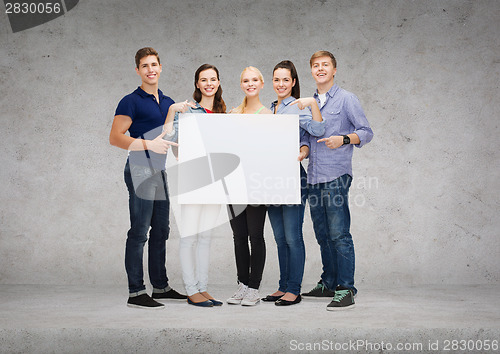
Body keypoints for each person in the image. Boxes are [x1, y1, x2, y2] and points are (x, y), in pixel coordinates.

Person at [109, 47, 189, 309]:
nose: (150, 69)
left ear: (161, 67)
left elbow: (172, 139)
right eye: (145, 66)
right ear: (137, 70)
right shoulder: (130, 101)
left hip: (159, 170)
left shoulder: (168, 103)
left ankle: (161, 287)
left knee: (162, 230)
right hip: (140, 169)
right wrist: (146, 144)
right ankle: (136, 292)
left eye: (154, 64)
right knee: (140, 231)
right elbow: (116, 137)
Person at [300, 50, 373, 310]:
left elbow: (366, 132)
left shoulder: (346, 99)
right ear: (311, 70)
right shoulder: (309, 103)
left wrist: (342, 139)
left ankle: (346, 288)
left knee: (339, 233)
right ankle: (328, 282)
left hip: (336, 176)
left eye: (325, 65)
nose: (320, 69)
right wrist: (303, 151)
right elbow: (307, 137)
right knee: (322, 234)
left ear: (334, 70)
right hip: (314, 176)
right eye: (316, 65)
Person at [262, 60, 325, 306]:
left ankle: (294, 289)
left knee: (292, 236)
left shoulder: (298, 106)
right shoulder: (270, 108)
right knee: (279, 237)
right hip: (270, 179)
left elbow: (318, 131)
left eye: (285, 80)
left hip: (291, 177)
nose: (280, 84)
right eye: (276, 79)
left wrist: (312, 103)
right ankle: (283, 286)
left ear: (294, 82)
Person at [168, 64, 226, 307]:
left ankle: (203, 287)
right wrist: (172, 110)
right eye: (204, 80)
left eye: (213, 79)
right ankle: (191, 289)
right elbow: (170, 137)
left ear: (218, 82)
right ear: (197, 84)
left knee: (205, 238)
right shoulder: (188, 110)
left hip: (215, 182)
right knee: (189, 237)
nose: (209, 83)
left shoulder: (225, 114)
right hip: (194, 179)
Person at [226, 67, 272, 306]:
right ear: (241, 84)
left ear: (262, 84)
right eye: (246, 80)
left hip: (256, 183)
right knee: (238, 236)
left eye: (254, 80)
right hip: (234, 184)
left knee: (256, 235)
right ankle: (242, 284)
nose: (250, 84)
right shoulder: (233, 113)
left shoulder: (269, 115)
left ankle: (254, 287)